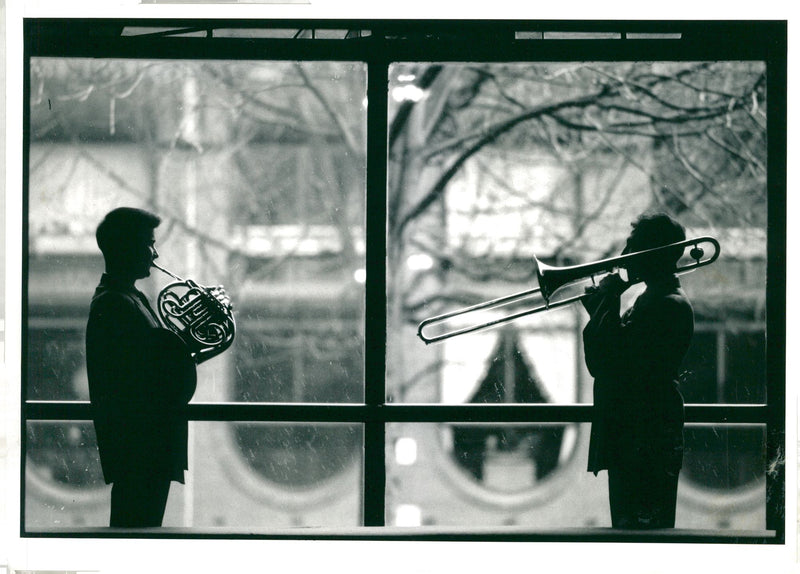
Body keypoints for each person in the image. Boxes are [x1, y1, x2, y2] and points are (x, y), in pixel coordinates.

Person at [86, 207, 197, 527]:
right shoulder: (114, 303)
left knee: (140, 527)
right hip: (140, 450)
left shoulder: (127, 297)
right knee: (136, 529)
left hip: (146, 447)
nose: (155, 252)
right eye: (149, 243)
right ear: (128, 247)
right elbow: (143, 378)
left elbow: (157, 359)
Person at [581, 213, 694, 529]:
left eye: (632, 248)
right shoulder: (652, 300)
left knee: (642, 536)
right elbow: (610, 360)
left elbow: (611, 366)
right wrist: (603, 309)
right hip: (636, 437)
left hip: (644, 441)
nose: (622, 257)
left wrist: (606, 306)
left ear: (654, 253)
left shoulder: (666, 304)